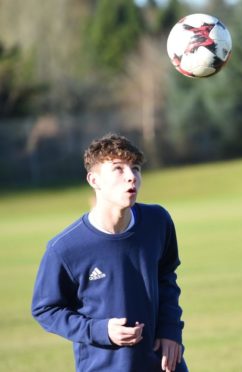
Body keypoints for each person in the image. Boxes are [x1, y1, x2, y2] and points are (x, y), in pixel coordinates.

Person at [31, 133, 188, 372]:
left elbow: (166, 278)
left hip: (164, 363)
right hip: (105, 366)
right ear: (94, 180)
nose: (130, 177)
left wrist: (170, 330)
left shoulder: (158, 221)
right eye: (118, 169)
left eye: (135, 168)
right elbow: (46, 309)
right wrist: (101, 331)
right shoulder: (64, 248)